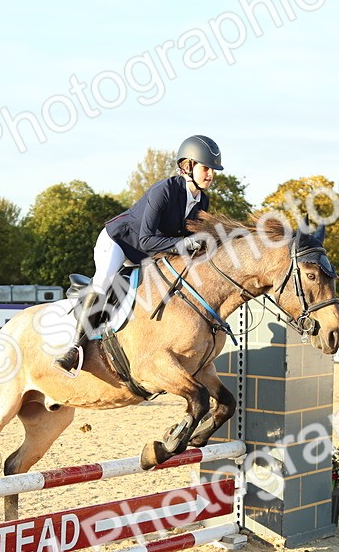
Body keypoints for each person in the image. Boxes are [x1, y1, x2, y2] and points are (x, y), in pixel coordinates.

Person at [52, 135, 224, 375]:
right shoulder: (163, 191)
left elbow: (183, 242)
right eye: (206, 168)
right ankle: (73, 348)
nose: (211, 175)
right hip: (120, 242)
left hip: (150, 252)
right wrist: (186, 243)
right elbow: (147, 239)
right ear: (187, 166)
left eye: (213, 170)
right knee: (104, 281)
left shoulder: (202, 200)